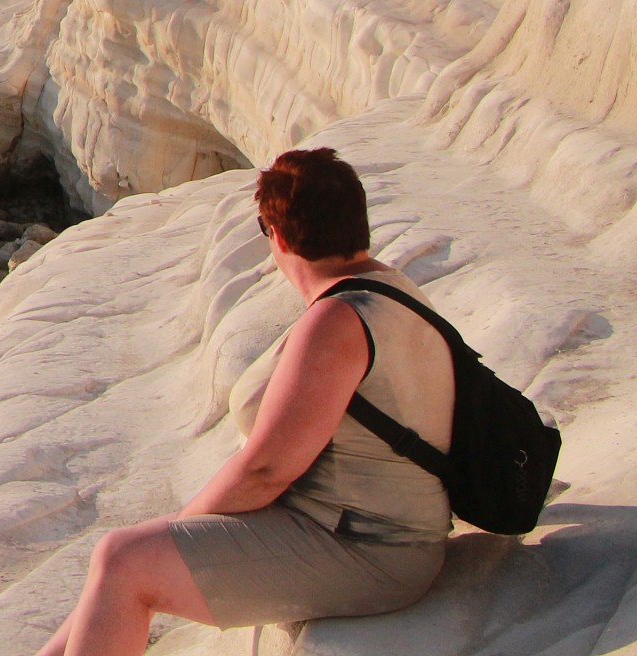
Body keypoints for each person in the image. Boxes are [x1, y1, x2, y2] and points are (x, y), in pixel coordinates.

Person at [36, 148, 454, 656]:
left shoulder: (336, 322)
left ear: (278, 237)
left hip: (371, 550)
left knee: (126, 559)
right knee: (122, 558)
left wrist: (181, 527)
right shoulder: (389, 288)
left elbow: (266, 471)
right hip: (367, 531)